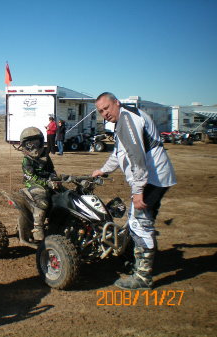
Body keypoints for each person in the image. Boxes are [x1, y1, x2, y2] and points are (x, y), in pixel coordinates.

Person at [91, 92, 176, 290]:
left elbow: (136, 156)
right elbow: (119, 152)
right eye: (101, 111)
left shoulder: (127, 120)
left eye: (107, 108)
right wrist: (104, 169)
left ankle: (142, 277)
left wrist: (138, 191)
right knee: (140, 221)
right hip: (156, 178)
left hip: (152, 180)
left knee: (139, 223)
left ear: (117, 103)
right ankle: (138, 264)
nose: (105, 113)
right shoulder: (125, 118)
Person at [20, 127, 57, 241]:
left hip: (49, 182)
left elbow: (51, 170)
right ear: (25, 145)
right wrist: (47, 182)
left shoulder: (45, 154)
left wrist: (54, 178)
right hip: (33, 184)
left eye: (36, 142)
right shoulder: (27, 160)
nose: (34, 146)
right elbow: (31, 177)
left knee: (65, 196)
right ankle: (38, 228)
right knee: (43, 201)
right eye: (30, 144)